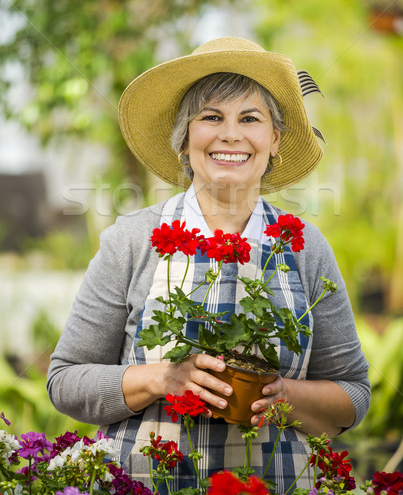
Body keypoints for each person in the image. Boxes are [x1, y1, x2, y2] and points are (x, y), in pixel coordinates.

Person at [47, 37, 370, 493]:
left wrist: (284, 397)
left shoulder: (305, 248)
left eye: (250, 119)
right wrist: (162, 378)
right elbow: (65, 381)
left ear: (274, 140)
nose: (230, 134)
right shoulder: (132, 240)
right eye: (211, 117)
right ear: (184, 139)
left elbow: (353, 392)